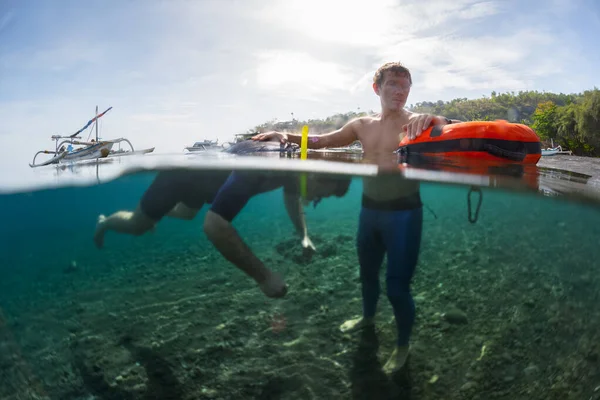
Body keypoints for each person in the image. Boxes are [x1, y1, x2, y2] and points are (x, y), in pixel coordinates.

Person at [252, 61, 461, 374]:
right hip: (369, 212)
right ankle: (368, 318)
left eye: (405, 86)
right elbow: (322, 141)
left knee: (397, 287)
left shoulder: (417, 123)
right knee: (367, 274)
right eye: (393, 84)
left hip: (404, 214)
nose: (400, 91)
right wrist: (283, 135)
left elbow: (452, 127)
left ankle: (403, 346)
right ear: (377, 88)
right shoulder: (362, 125)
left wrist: (434, 117)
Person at [93, 139, 352, 298]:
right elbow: (215, 226)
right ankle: (105, 222)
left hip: (206, 187)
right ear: (318, 177)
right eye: (320, 196)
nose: (315, 200)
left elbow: (291, 199)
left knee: (186, 213)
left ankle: (155, 214)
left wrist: (303, 236)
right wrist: (264, 277)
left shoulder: (295, 170)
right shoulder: (268, 167)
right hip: (180, 178)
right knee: (138, 225)